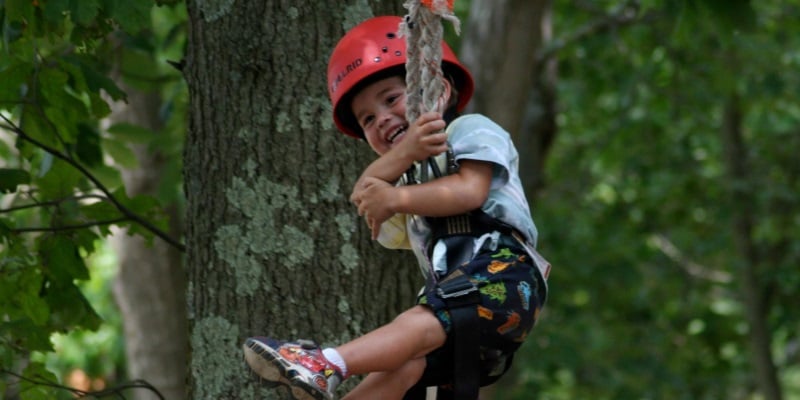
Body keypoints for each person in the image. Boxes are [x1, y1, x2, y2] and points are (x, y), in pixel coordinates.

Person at [242, 16, 549, 400]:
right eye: (368, 119)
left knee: (417, 322)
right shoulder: (409, 184)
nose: (382, 118)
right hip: (463, 305)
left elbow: (470, 191)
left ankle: (328, 363)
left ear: (437, 90)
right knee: (405, 365)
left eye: (391, 99)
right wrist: (405, 157)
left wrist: (396, 196)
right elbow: (366, 192)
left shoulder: (470, 130)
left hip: (504, 279)